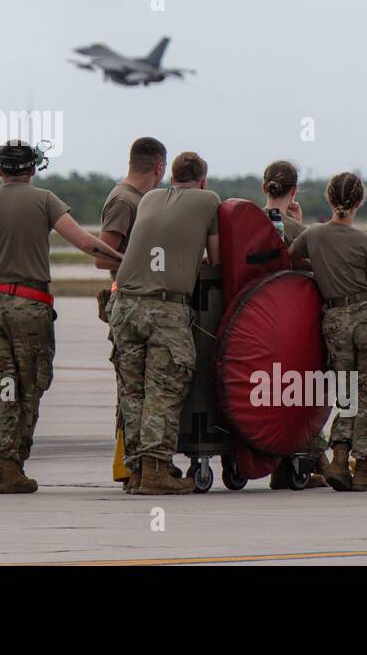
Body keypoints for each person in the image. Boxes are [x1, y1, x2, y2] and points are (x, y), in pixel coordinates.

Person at [0, 139, 124, 494]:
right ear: (33, 168)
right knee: (28, 385)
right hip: (30, 305)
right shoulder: (45, 201)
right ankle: (16, 462)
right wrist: (126, 262)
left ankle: (6, 466)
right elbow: (86, 243)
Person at [108, 151, 221, 495]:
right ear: (203, 180)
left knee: (134, 391)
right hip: (164, 307)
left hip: (124, 305)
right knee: (163, 389)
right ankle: (157, 471)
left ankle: (139, 469)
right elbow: (216, 259)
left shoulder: (150, 198)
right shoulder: (209, 200)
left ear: (170, 177)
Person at [288, 172, 367, 492]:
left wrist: (322, 269)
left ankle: (339, 460)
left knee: (347, 393)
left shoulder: (313, 236)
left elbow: (293, 259)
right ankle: (364, 468)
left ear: (329, 198)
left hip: (336, 322)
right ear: (359, 201)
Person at [95, 137, 168, 490]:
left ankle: (136, 468)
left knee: (136, 391)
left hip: (138, 302)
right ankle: (132, 467)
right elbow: (103, 255)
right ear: (159, 167)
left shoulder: (143, 200)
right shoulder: (125, 201)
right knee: (133, 392)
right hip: (128, 301)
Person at [260, 160, 329, 489]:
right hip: (289, 326)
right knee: (302, 394)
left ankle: (289, 464)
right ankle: (315, 460)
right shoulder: (300, 232)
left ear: (264, 187)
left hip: (251, 325)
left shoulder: (247, 223)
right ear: (295, 190)